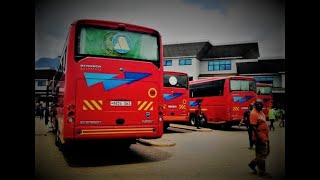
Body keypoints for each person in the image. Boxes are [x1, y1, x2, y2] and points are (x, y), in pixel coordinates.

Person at [248, 99, 271, 178]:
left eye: (261, 104)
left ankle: (252, 164)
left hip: (265, 135)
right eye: (258, 104)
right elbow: (253, 127)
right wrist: (260, 138)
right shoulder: (253, 113)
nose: (260, 105)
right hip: (260, 137)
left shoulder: (260, 112)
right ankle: (262, 172)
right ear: (255, 105)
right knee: (262, 155)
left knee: (266, 152)